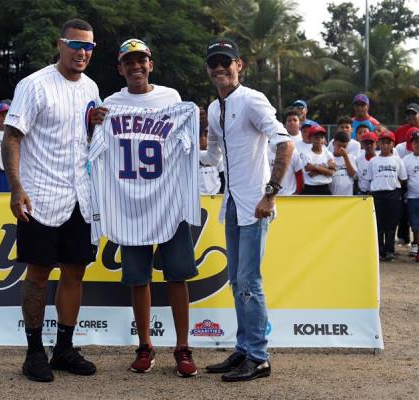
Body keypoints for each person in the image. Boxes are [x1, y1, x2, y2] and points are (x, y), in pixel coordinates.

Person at [1, 18, 101, 383]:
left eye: (89, 47)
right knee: (39, 275)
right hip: (40, 193)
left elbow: (88, 139)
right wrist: (15, 187)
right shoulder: (34, 84)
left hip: (80, 195)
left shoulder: (92, 87)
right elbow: (11, 138)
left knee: (75, 271)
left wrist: (98, 123)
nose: (82, 52)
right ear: (60, 44)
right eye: (76, 45)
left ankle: (64, 348)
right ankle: (33, 353)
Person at [97, 38, 199, 377]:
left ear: (151, 64)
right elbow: (93, 148)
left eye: (141, 61)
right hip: (129, 203)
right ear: (120, 68)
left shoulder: (172, 99)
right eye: (129, 62)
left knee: (178, 276)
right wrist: (93, 123)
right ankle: (145, 345)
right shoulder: (109, 104)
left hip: (168, 201)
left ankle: (182, 347)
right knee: (138, 280)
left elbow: (188, 146)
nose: (136, 67)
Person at [201, 38, 294, 382]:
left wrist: (270, 194)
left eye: (227, 62)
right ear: (209, 69)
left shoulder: (253, 100)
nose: (220, 68)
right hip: (232, 207)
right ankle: (244, 349)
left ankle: (258, 357)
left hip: (255, 207)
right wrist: (178, 153)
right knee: (236, 281)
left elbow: (285, 143)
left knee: (250, 283)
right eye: (214, 63)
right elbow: (212, 158)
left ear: (240, 65)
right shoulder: (214, 108)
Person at [368, 130, 407, 261]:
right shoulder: (373, 161)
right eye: (382, 142)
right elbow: (370, 178)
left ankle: (390, 250)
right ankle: (379, 251)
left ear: (392, 144)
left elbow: (402, 178)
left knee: (391, 224)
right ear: (378, 143)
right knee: (378, 224)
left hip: (393, 194)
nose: (385, 145)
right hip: (377, 194)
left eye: (388, 143)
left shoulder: (397, 160)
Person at [300, 125, 335, 195]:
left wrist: (315, 167)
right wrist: (327, 167)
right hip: (310, 188)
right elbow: (311, 174)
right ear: (310, 139)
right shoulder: (306, 154)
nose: (319, 140)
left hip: (324, 188)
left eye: (321, 137)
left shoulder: (328, 154)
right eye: (316, 138)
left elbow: (331, 173)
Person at [402, 127, 419, 261]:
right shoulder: (407, 160)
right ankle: (416, 245)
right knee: (414, 224)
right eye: (415, 142)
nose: (417, 144)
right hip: (413, 197)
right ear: (411, 144)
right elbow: (404, 179)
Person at [329, 131, 356, 195]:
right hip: (333, 194)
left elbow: (352, 174)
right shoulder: (328, 157)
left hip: (348, 195)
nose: (341, 149)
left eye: (344, 146)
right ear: (333, 143)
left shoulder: (350, 157)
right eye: (339, 146)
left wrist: (345, 156)